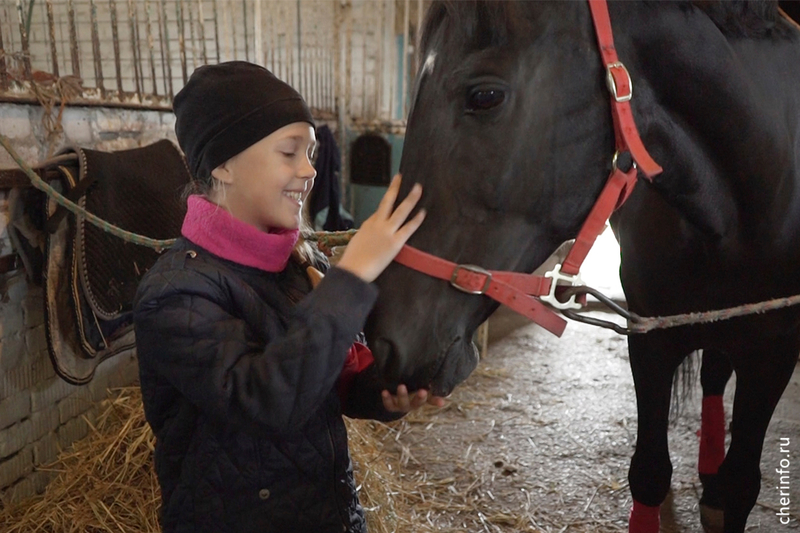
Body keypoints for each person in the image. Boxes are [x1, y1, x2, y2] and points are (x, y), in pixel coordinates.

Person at [133, 61, 444, 533]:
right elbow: (267, 402)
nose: (309, 170)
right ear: (223, 164)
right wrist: (355, 273)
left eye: (311, 152)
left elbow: (326, 380)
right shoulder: (175, 292)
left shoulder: (299, 264)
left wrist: (382, 393)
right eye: (289, 152)